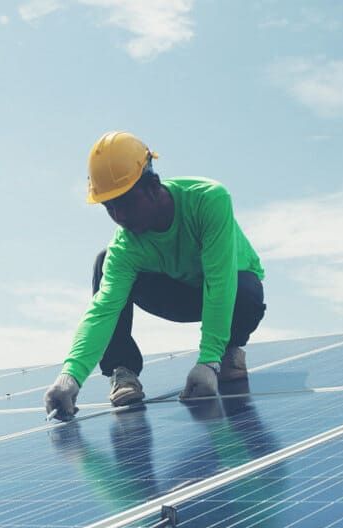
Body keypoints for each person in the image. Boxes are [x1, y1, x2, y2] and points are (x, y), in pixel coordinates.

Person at [44, 131, 266, 420]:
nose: (119, 216)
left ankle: (228, 351)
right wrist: (70, 377)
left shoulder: (208, 200)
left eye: (124, 202)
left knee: (245, 288)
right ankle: (122, 371)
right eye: (109, 207)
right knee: (105, 260)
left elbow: (220, 280)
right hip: (176, 296)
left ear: (152, 186)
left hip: (229, 294)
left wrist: (209, 359)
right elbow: (104, 309)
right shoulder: (126, 245)